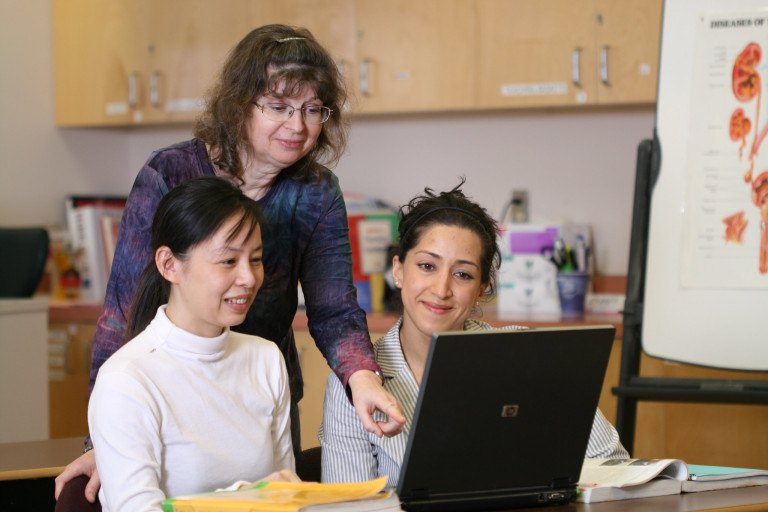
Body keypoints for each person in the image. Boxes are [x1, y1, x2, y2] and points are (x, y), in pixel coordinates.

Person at [55, 24, 405, 504]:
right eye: (279, 107)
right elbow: (122, 310)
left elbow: (334, 309)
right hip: (167, 386)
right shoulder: (170, 174)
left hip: (257, 385)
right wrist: (108, 436)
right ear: (240, 105)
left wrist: (363, 380)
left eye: (312, 110)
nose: (298, 125)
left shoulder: (316, 190)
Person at [320, 179, 628, 486]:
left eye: (462, 274)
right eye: (427, 266)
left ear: (481, 289)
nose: (441, 290)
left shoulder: (526, 355)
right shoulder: (353, 382)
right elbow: (348, 504)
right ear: (398, 270)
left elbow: (614, 466)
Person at [89, 177, 299, 512]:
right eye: (229, 261)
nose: (248, 278)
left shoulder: (265, 359)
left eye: (256, 259)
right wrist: (243, 500)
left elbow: (288, 495)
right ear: (169, 265)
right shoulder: (127, 379)